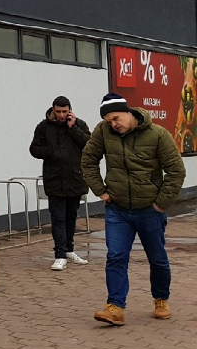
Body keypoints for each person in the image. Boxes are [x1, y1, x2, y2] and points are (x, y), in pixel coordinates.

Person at [82, 93, 186, 325]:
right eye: (108, 121)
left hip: (150, 209)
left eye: (116, 118)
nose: (113, 124)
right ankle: (115, 307)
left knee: (157, 258)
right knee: (116, 256)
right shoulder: (103, 132)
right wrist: (101, 191)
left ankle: (161, 299)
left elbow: (176, 170)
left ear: (128, 112)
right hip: (117, 209)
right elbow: (88, 160)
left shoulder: (157, 134)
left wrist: (161, 202)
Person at [29, 95, 92, 270]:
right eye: (58, 111)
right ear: (53, 110)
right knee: (57, 218)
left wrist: (73, 128)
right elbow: (34, 149)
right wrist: (51, 151)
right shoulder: (43, 127)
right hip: (54, 179)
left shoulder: (80, 125)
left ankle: (69, 249)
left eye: (64, 111)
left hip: (74, 178)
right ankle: (59, 254)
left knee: (71, 216)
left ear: (70, 110)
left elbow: (89, 145)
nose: (61, 115)